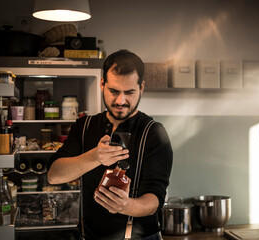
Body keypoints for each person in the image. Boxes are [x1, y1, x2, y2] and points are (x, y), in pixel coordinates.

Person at [47, 49, 173, 240]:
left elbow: (155, 198)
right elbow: (54, 175)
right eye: (114, 91)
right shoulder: (84, 126)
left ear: (142, 88)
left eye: (129, 92)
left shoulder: (154, 132)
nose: (120, 101)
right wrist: (95, 156)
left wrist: (126, 206)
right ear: (102, 84)